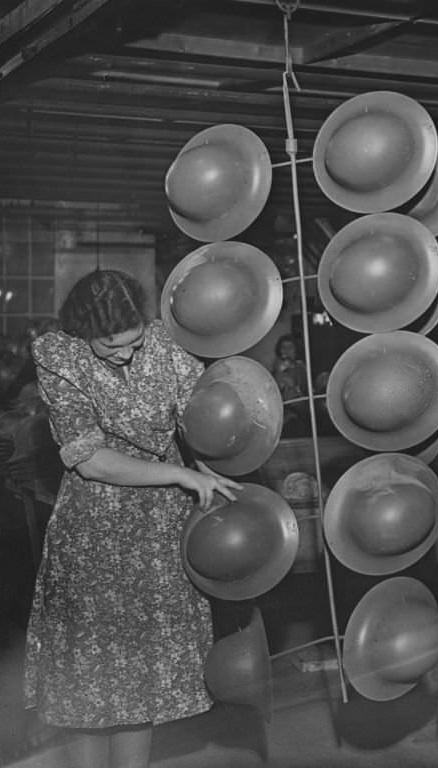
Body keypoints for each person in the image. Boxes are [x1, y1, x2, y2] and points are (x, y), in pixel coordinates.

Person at [24, 269, 241, 768]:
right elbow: (88, 458)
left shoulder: (170, 344)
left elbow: (197, 427)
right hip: (93, 531)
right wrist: (180, 475)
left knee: (138, 683)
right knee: (91, 682)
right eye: (109, 346)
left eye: (133, 341)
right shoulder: (58, 354)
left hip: (160, 534)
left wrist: (211, 474)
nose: (124, 353)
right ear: (84, 332)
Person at [271, 333, 309, 437]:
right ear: (279, 350)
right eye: (284, 348)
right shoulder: (276, 368)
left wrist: (293, 386)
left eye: (290, 347)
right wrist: (279, 374)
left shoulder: (301, 368)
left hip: (298, 411)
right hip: (280, 413)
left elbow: (305, 392)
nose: (286, 351)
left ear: (295, 350)